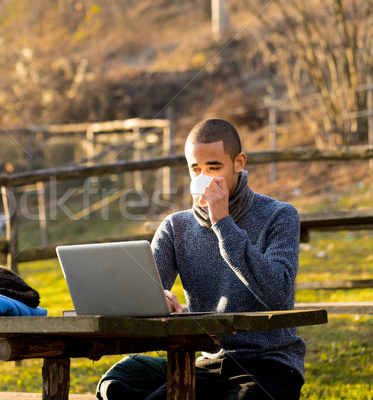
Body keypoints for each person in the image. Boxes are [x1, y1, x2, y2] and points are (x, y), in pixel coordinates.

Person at [96, 119, 305, 400]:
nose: (203, 177)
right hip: (206, 365)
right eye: (196, 169)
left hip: (270, 365)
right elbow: (144, 290)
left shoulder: (279, 215)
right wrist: (159, 297)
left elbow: (277, 293)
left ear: (238, 163)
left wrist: (224, 223)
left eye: (214, 167)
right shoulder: (175, 227)